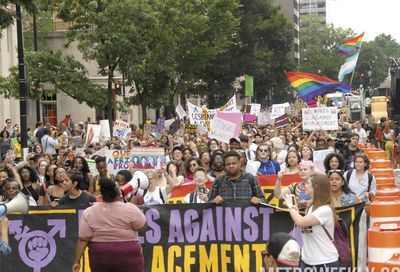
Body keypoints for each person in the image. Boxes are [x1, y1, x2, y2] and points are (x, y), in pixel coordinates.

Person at [72, 177, 147, 272]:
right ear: (118, 193)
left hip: (100, 258)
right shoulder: (130, 209)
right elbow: (142, 226)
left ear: (102, 195)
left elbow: (83, 239)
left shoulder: (89, 212)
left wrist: (77, 262)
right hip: (128, 256)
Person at [283, 173, 339, 270]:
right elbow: (303, 222)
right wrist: (296, 210)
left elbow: (300, 222)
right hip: (307, 261)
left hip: (324, 262)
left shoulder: (325, 210)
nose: (305, 185)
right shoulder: (311, 207)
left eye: (308, 183)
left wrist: (291, 207)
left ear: (316, 186)